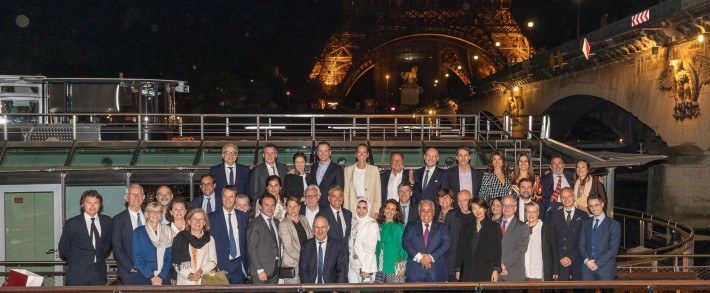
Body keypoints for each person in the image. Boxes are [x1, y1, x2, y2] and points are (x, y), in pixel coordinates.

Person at [58, 190, 112, 286]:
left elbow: (107, 243)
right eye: (88, 202)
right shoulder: (72, 223)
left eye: (95, 202)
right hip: (77, 275)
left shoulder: (107, 221)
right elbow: (63, 247)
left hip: (99, 274)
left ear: (100, 205)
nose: (92, 206)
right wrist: (77, 261)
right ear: (82, 205)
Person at [208, 186, 250, 284]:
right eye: (225, 196)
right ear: (221, 198)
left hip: (239, 266)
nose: (227, 199)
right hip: (220, 267)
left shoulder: (243, 217)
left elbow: (245, 241)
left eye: (231, 197)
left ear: (235, 199)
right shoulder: (211, 217)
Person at [402, 199, 451, 282]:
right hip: (415, 273)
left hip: (436, 273)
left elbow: (446, 244)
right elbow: (405, 242)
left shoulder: (442, 227)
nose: (426, 214)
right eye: (423, 211)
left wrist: (430, 257)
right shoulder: (411, 226)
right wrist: (420, 257)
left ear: (433, 212)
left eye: (429, 211)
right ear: (419, 212)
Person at [455, 197, 501, 282]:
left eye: (480, 207)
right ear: (471, 211)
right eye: (474, 208)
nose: (477, 211)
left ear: (485, 208)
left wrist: (496, 270)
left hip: (486, 270)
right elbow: (460, 248)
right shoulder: (466, 227)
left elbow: (497, 250)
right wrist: (458, 268)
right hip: (468, 270)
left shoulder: (494, 227)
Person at [550, 187, 589, 282]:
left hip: (577, 258)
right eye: (563, 197)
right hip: (561, 259)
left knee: (578, 289)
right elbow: (552, 240)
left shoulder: (583, 215)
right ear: (560, 199)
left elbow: (584, 240)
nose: (566, 199)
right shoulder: (554, 215)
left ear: (574, 198)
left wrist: (571, 257)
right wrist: (561, 257)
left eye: (569, 196)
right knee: (561, 289)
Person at [579, 194, 621, 281]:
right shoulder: (585, 223)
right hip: (587, 269)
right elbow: (581, 244)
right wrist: (587, 261)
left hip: (606, 270)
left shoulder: (614, 225)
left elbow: (613, 249)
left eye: (596, 205)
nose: (594, 209)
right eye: (591, 206)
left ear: (602, 204)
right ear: (588, 207)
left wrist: (597, 263)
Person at [172, 208, 218, 285]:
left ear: (204, 222)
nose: (197, 222)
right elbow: (176, 263)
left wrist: (201, 271)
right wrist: (189, 275)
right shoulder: (180, 238)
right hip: (185, 281)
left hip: (204, 280)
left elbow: (213, 261)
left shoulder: (210, 239)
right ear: (189, 221)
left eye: (201, 219)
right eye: (194, 219)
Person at [132, 202, 174, 285]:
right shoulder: (138, 232)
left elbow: (169, 257)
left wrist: (161, 276)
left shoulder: (168, 230)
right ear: (147, 214)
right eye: (152, 211)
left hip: (164, 276)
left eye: (158, 212)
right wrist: (152, 277)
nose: (155, 214)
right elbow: (138, 258)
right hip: (144, 276)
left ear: (161, 214)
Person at [112, 183, 146, 285]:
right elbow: (117, 247)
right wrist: (130, 267)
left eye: (139, 194)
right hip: (129, 273)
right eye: (133, 194)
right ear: (126, 197)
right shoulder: (118, 220)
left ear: (143, 197)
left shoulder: (151, 216)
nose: (136, 197)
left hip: (150, 272)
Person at [299, 215, 348, 283]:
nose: (320, 230)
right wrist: (309, 290)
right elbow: (303, 271)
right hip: (311, 288)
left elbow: (341, 270)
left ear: (328, 228)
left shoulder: (337, 245)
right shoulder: (306, 246)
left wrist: (336, 290)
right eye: (317, 227)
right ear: (312, 228)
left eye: (323, 227)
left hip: (331, 288)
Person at [247, 194, 281, 284]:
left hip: (275, 270)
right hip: (260, 272)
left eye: (272, 205)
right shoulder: (255, 224)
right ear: (260, 207)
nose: (270, 208)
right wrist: (260, 270)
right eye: (266, 205)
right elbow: (251, 248)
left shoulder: (276, 222)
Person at [279, 197, 314, 284]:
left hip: (307, 262)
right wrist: (305, 260)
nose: (293, 209)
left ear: (299, 207)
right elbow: (289, 248)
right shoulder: (283, 224)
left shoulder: (304, 219)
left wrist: (312, 257)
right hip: (293, 264)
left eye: (295, 206)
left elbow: (311, 238)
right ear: (286, 208)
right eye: (290, 206)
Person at [523, 202, 559, 281]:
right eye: (529, 212)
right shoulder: (521, 228)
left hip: (541, 272)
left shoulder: (547, 228)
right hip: (524, 272)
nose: (531, 214)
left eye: (534, 212)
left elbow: (554, 250)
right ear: (525, 213)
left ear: (538, 213)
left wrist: (555, 270)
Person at [444, 190, 475, 282]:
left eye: (465, 200)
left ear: (471, 199)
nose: (462, 203)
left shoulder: (478, 215)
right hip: (453, 262)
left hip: (472, 264)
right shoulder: (451, 215)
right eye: (459, 201)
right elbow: (445, 239)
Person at [344, 143, 382, 217]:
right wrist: (345, 211)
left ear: (367, 155)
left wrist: (377, 211)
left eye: (364, 152)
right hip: (353, 208)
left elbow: (377, 192)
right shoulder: (348, 170)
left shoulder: (374, 170)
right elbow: (346, 193)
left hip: (369, 208)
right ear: (356, 154)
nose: (361, 154)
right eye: (359, 152)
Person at [499, 195, 530, 282]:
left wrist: (503, 264)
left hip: (514, 273)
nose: (507, 208)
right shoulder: (493, 225)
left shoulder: (523, 227)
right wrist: (497, 265)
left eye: (510, 205)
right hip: (496, 274)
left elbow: (521, 250)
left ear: (515, 208)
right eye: (504, 205)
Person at [348, 199, 379, 284]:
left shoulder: (372, 224)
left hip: (364, 267)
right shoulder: (354, 221)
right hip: (352, 265)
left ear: (368, 209)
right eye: (359, 207)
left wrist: (366, 269)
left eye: (364, 208)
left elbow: (371, 249)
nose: (361, 211)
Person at [376, 199, 408, 283]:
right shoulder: (378, 226)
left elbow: (404, 249)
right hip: (378, 268)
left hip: (393, 269)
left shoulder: (399, 228)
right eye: (387, 208)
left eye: (393, 209)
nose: (389, 211)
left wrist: (403, 267)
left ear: (396, 212)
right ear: (384, 209)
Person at [316, 185, 353, 252]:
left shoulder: (348, 214)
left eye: (340, 196)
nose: (337, 199)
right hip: (330, 255)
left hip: (345, 256)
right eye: (334, 196)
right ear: (328, 198)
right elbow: (319, 237)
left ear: (343, 198)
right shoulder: (321, 215)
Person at [312, 141, 345, 207]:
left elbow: (339, 191)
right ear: (317, 153)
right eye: (320, 151)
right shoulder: (313, 167)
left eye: (325, 151)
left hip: (329, 208)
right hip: (314, 206)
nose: (323, 153)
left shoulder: (337, 169)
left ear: (330, 153)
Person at [541, 154, 574, 220]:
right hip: (552, 213)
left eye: (559, 163)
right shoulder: (544, 180)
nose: (557, 166)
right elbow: (542, 199)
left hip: (571, 211)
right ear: (550, 166)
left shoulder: (572, 176)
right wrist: (555, 207)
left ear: (563, 165)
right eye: (554, 163)